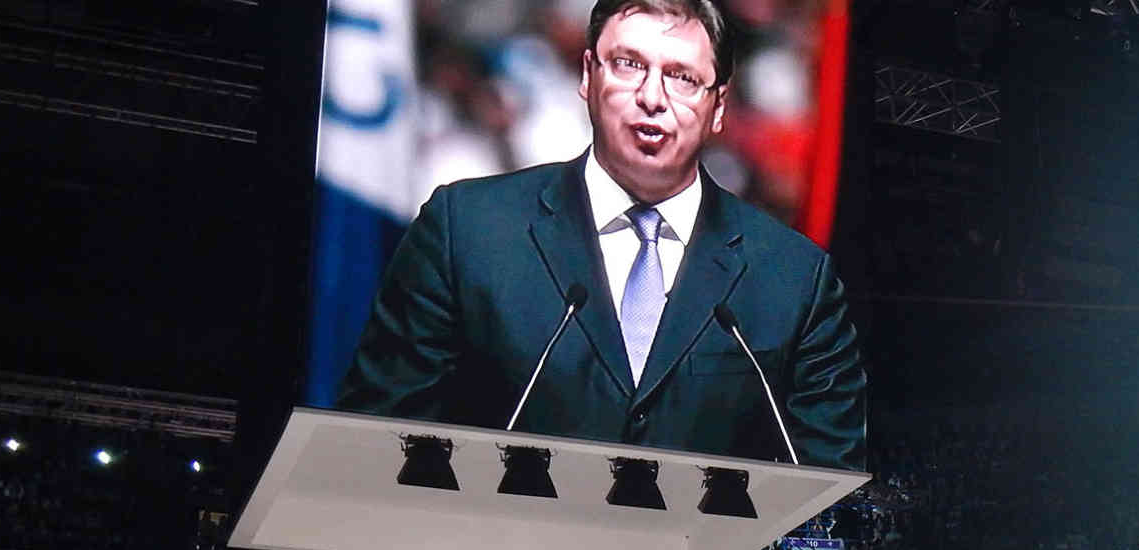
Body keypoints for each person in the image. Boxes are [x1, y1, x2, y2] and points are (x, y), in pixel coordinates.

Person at [337, 0, 867, 472]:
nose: (652, 98)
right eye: (629, 65)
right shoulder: (466, 228)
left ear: (719, 106)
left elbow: (824, 491)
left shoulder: (795, 278)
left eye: (682, 77)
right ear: (588, 75)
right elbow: (373, 443)